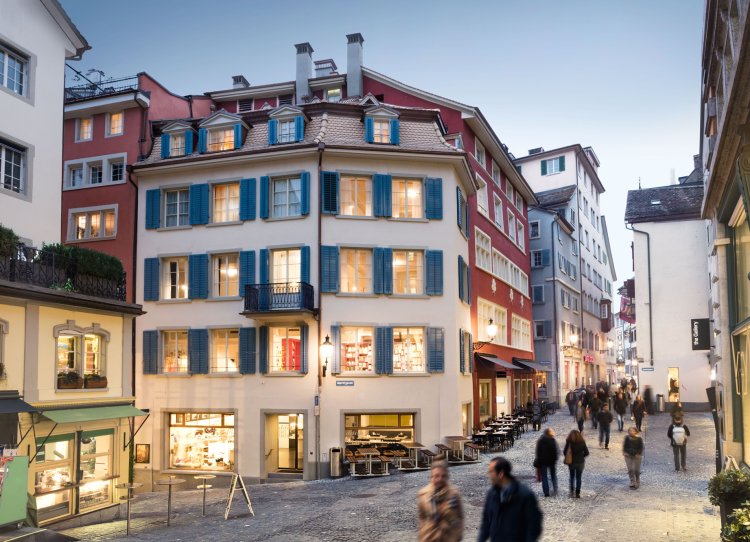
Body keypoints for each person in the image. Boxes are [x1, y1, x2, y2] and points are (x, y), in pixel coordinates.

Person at [478, 457, 543, 541]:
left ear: (501, 474)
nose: (489, 475)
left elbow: (534, 526)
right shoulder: (491, 494)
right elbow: (486, 522)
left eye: (491, 472)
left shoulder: (525, 495)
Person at [417, 461, 464, 542]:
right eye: (436, 476)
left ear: (447, 477)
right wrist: (423, 532)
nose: (440, 479)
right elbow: (422, 516)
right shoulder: (423, 495)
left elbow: (460, 518)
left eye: (443, 476)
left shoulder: (454, 495)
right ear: (431, 477)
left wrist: (455, 537)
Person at [562, 429, 589, 498]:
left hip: (572, 462)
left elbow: (565, 452)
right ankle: (577, 493)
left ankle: (571, 491)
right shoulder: (582, 442)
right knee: (579, 477)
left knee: (572, 476)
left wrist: (569, 455)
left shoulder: (569, 442)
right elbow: (587, 453)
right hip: (580, 462)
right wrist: (581, 456)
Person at [534, 428, 559, 497]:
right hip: (551, 461)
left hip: (543, 461)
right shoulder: (552, 440)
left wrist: (539, 459)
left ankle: (546, 492)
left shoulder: (540, 441)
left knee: (544, 477)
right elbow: (555, 451)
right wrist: (555, 459)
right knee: (553, 475)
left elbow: (538, 452)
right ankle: (555, 489)